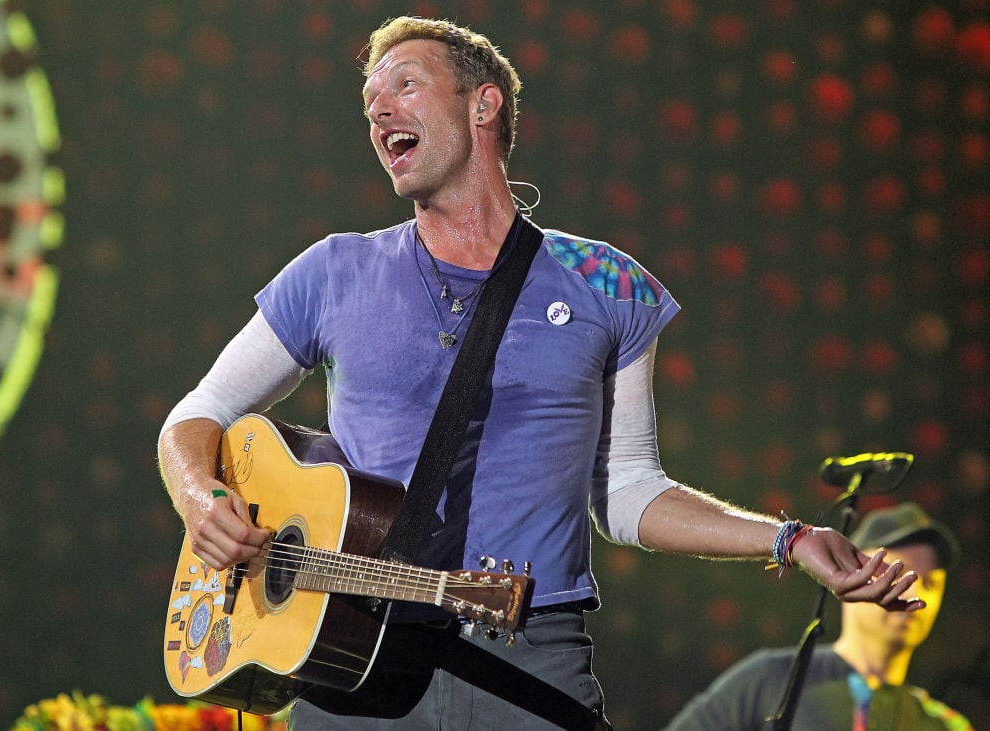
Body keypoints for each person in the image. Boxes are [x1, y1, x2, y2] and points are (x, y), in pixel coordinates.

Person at [157, 16, 925, 730]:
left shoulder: (606, 284)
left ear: (482, 105)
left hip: (528, 653)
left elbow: (626, 491)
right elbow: (201, 411)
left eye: (405, 84)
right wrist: (203, 497)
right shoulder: (332, 271)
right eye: (368, 101)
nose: (378, 110)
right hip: (351, 655)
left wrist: (786, 538)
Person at [664, 502, 973, 730]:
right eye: (898, 573)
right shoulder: (776, 679)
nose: (913, 590)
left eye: (931, 583)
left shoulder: (945, 725)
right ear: (853, 567)